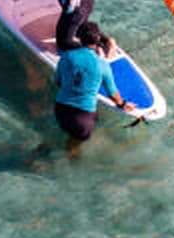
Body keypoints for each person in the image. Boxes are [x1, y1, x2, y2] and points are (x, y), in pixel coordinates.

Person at [54, 21, 135, 158]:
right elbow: (112, 93)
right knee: (74, 146)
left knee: (69, 133)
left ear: (78, 37)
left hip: (60, 110)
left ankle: (43, 151)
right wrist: (123, 104)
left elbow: (58, 81)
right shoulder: (102, 65)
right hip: (83, 119)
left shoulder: (66, 56)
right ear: (97, 40)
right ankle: (71, 169)